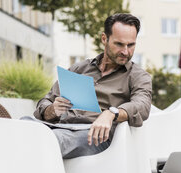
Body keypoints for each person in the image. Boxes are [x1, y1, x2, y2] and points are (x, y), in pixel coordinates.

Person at [33, 13, 152, 159]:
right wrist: (52, 110)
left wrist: (111, 113)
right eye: (119, 44)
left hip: (94, 135)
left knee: (50, 140)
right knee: (24, 127)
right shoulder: (79, 69)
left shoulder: (138, 76)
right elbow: (45, 101)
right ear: (104, 39)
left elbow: (142, 106)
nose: (125, 51)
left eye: (131, 45)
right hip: (61, 126)